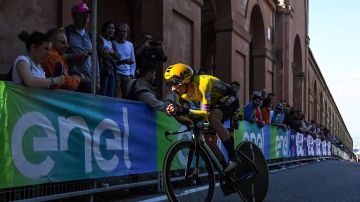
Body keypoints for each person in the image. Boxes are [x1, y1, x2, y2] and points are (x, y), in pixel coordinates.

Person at [163, 63, 240, 173]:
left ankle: (233, 157)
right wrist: (174, 112)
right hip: (214, 104)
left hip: (229, 98)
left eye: (176, 84)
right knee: (210, 141)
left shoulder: (203, 83)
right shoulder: (181, 95)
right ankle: (227, 171)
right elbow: (188, 116)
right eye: (170, 84)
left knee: (213, 118)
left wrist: (183, 110)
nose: (173, 89)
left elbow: (204, 113)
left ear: (186, 79)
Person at [65, 2, 100, 93]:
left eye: (87, 16)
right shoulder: (66, 33)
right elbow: (58, 56)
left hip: (89, 82)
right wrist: (75, 57)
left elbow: (95, 59)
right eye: (82, 16)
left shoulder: (91, 36)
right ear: (73, 16)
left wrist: (97, 80)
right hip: (73, 80)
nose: (86, 19)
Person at [114, 23, 136, 98]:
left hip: (127, 75)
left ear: (127, 33)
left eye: (124, 31)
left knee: (127, 96)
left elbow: (133, 61)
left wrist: (132, 74)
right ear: (117, 32)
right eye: (121, 31)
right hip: (116, 73)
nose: (123, 33)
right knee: (116, 96)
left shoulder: (130, 45)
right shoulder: (113, 43)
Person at [97, 21, 120, 97]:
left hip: (111, 69)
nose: (111, 30)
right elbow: (101, 52)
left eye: (113, 28)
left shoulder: (112, 43)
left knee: (111, 92)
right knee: (103, 92)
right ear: (104, 29)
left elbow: (118, 56)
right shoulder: (100, 38)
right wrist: (112, 54)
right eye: (109, 28)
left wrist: (109, 52)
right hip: (103, 69)